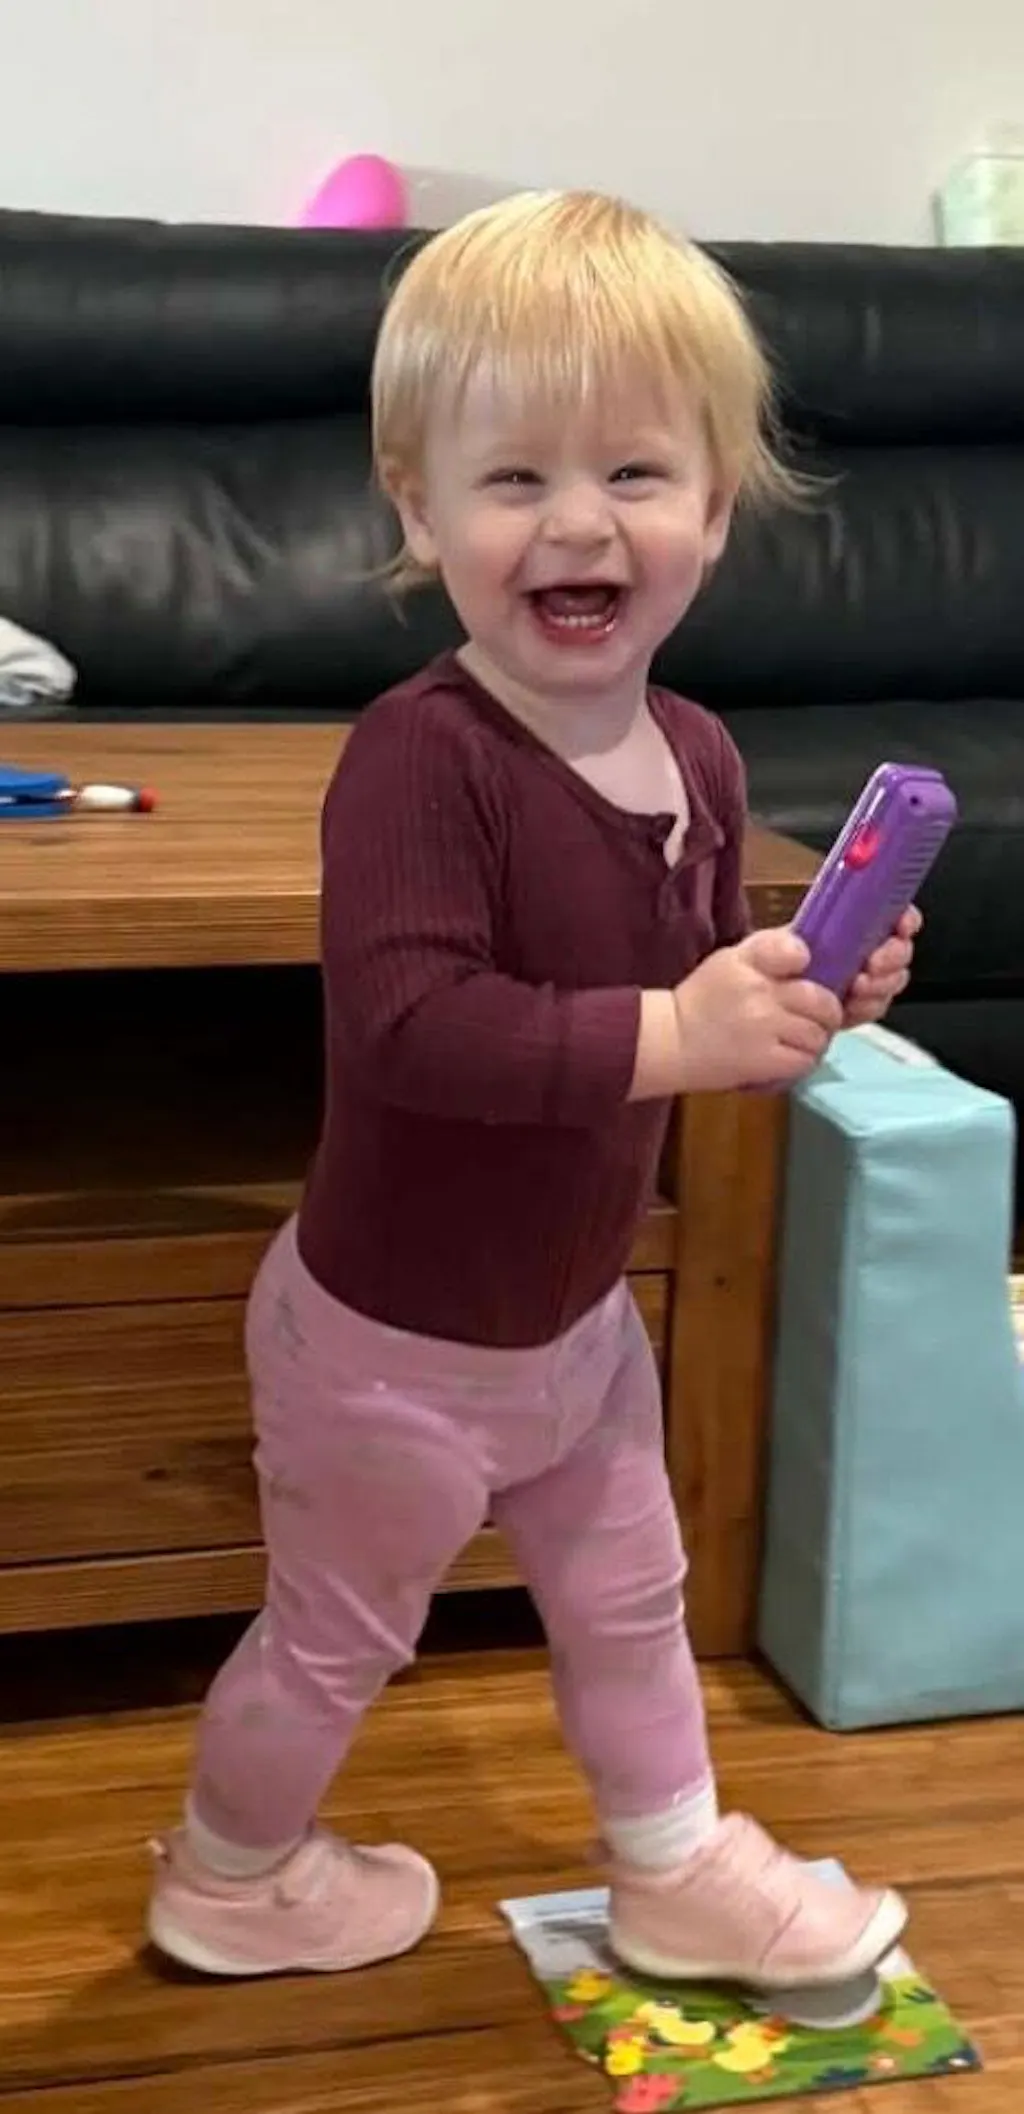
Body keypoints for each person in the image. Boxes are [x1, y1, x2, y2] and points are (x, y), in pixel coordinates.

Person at [146, 189, 919, 1989]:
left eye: (636, 472)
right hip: (389, 1350)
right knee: (336, 1638)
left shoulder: (700, 753)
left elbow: (695, 977)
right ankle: (229, 1875)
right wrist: (679, 1032)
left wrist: (802, 990)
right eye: (515, 479)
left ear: (715, 507)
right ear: (420, 509)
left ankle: (673, 1863)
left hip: (575, 1328)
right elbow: (416, 1027)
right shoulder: (420, 758)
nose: (579, 521)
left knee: (634, 1599)